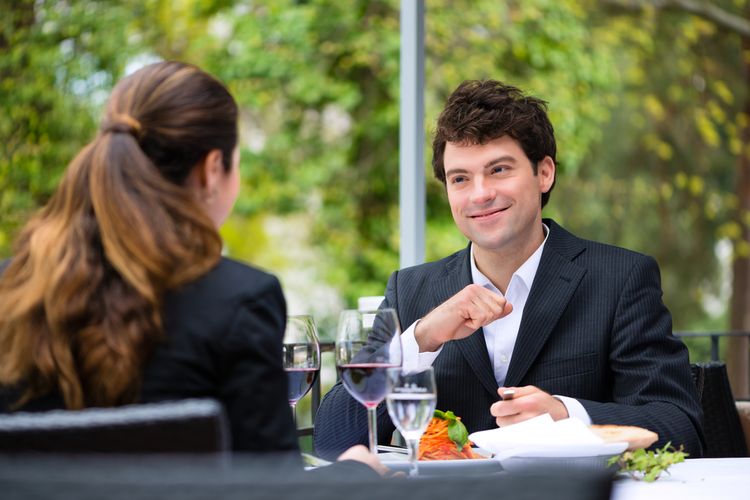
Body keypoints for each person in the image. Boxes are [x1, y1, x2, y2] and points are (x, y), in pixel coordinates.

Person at [0, 61, 384, 473]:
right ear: (212, 168)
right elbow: (274, 493)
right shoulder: (239, 301)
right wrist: (358, 472)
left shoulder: (11, 289)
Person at [314, 79, 704, 460]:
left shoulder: (620, 278)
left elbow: (680, 426)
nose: (480, 194)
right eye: (460, 179)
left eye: (499, 170)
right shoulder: (410, 289)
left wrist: (567, 415)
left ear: (544, 173)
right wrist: (421, 338)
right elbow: (332, 441)